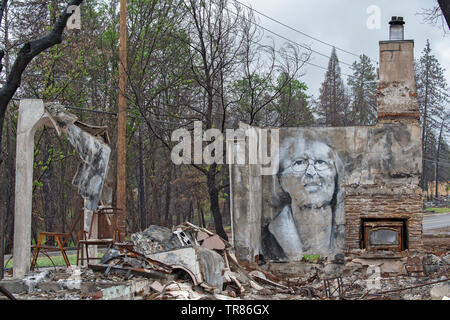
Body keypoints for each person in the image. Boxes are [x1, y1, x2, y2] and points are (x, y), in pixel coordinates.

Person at [262, 136, 344, 261]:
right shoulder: (268, 235)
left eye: (321, 162)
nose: (311, 172)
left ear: (336, 175)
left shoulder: (345, 228)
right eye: (299, 162)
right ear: (282, 180)